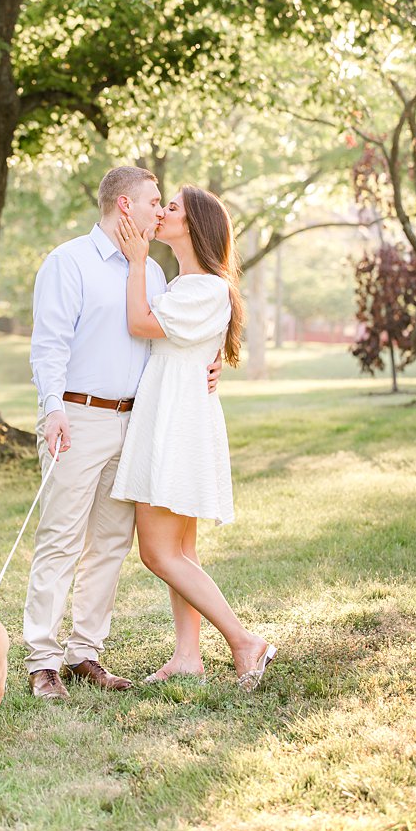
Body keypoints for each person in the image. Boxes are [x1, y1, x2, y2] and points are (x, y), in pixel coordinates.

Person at [24, 165, 219, 699]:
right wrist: (53, 408)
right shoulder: (68, 262)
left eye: (164, 203)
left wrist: (213, 359)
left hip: (136, 422)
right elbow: (49, 345)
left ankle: (85, 651)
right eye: (155, 201)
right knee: (60, 539)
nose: (161, 210)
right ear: (125, 206)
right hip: (78, 417)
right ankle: (42, 660)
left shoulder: (153, 274)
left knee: (111, 542)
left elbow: (169, 338)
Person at [109, 184, 277, 691]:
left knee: (158, 554)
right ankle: (188, 655)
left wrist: (137, 260)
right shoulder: (190, 285)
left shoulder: (204, 287)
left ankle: (245, 642)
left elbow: (140, 323)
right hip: (175, 410)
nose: (161, 213)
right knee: (182, 551)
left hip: (176, 423)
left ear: (195, 224)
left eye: (173, 208)